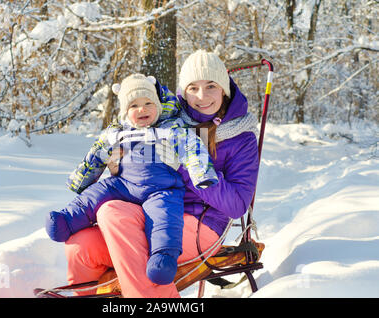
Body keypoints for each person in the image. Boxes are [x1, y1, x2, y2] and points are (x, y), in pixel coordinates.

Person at [63, 49, 260, 298]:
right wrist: (121, 167)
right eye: (193, 87)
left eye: (211, 86)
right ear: (183, 92)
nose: (202, 96)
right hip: (149, 211)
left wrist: (186, 168)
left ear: (224, 89)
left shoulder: (240, 136)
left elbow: (236, 205)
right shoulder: (164, 119)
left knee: (135, 241)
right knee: (82, 246)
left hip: (200, 223)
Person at [45, 73, 219, 285]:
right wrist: (79, 180)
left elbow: (192, 147)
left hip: (162, 188)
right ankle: (67, 220)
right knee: (95, 194)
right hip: (124, 185)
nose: (142, 109)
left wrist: (202, 173)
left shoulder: (170, 128)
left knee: (164, 219)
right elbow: (96, 155)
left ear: (158, 106)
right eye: (134, 105)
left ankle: (162, 259)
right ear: (125, 112)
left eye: (148, 103)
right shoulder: (118, 132)